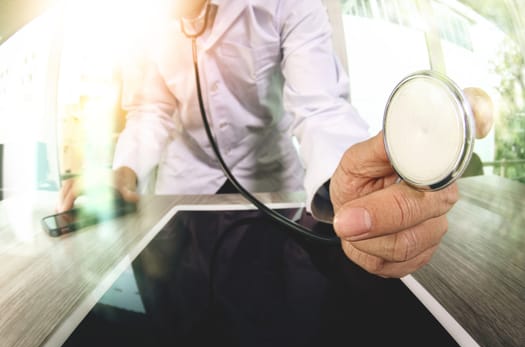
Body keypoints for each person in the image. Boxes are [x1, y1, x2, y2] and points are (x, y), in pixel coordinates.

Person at [57, 0, 488, 278]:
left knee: (269, 301)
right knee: (182, 310)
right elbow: (150, 109)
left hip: (272, 182)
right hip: (184, 186)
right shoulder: (140, 20)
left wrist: (348, 185)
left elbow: (319, 106)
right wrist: (125, 171)